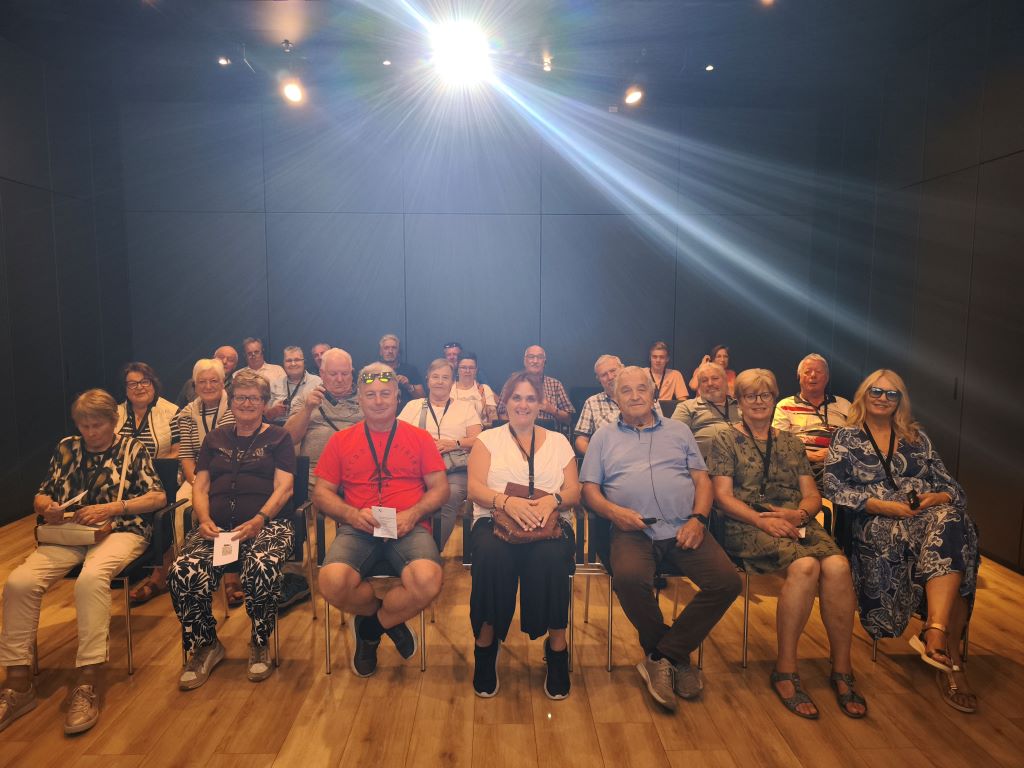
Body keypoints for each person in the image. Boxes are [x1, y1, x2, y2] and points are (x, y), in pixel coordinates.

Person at [0, 389, 166, 735]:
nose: (90, 432)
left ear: (113, 421)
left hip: (121, 528)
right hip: (70, 532)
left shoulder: (132, 449)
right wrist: (46, 506)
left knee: (91, 579)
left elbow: (157, 497)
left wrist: (113, 508)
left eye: (97, 425)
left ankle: (89, 677)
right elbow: (43, 491)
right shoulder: (67, 448)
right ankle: (17, 680)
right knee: (19, 582)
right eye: (84, 425)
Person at [707, 368, 866, 720]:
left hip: (795, 521)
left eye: (765, 395)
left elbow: (812, 495)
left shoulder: (791, 442)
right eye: (750, 395)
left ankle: (842, 668)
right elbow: (722, 498)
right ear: (739, 402)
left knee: (838, 566)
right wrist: (762, 520)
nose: (758, 401)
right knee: (806, 566)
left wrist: (799, 514)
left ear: (774, 398)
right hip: (746, 523)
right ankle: (785, 669)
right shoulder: (725, 438)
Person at [581, 367, 740, 710]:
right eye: (626, 391)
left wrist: (698, 520)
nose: (635, 395)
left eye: (642, 388)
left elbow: (702, 481)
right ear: (615, 398)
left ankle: (662, 655)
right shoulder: (603, 437)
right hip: (632, 529)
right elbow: (589, 491)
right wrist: (614, 513)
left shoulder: (679, 431)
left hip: (684, 525)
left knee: (727, 582)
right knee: (628, 578)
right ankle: (674, 658)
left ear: (654, 393)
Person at [824, 369, 979, 714]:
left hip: (926, 515)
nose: (883, 398)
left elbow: (953, 489)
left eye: (891, 394)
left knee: (954, 522)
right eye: (876, 391)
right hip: (876, 520)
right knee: (956, 539)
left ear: (900, 401)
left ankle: (936, 633)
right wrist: (879, 505)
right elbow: (833, 487)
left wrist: (935, 498)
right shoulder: (846, 437)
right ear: (864, 394)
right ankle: (947, 651)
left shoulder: (917, 438)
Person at [313, 363, 448, 678]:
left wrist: (413, 513)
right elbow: (321, 493)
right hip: (358, 527)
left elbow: (441, 488)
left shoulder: (420, 438)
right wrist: (350, 514)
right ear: (359, 399)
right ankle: (388, 620)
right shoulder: (340, 441)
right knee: (331, 583)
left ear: (397, 397)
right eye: (370, 394)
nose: (378, 401)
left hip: (408, 526)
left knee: (428, 581)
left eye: (385, 394)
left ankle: (370, 629)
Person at [168, 370, 296, 690]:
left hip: (268, 525)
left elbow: (285, 488)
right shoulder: (215, 439)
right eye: (240, 397)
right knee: (183, 570)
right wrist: (203, 519)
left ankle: (259, 641)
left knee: (262, 566)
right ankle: (207, 644)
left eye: (254, 398)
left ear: (264, 403)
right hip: (217, 528)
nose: (246, 403)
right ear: (232, 402)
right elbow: (200, 486)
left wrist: (260, 519)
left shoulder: (279, 438)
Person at [467, 371, 581, 700]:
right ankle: (485, 646)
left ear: (541, 403)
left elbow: (574, 491)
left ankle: (557, 647)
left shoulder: (559, 442)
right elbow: (474, 488)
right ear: (505, 402)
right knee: (491, 557)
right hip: (495, 520)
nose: (523, 404)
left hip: (550, 523)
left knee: (551, 559)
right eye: (516, 397)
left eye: (531, 398)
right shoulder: (487, 440)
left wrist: (552, 500)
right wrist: (506, 502)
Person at [130, 358, 238, 606]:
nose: (208, 386)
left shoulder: (235, 410)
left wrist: (214, 484)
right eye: (202, 382)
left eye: (214, 381)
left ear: (223, 383)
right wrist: (197, 483)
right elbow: (187, 456)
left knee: (226, 506)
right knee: (178, 505)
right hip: (197, 475)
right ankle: (176, 570)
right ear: (194, 385)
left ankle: (230, 574)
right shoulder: (187, 414)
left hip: (230, 473)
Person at [398, 359, 482, 549]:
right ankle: (405, 547)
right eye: (435, 377)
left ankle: (429, 551)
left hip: (455, 468)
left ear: (452, 382)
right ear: (427, 380)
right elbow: (396, 436)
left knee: (449, 496)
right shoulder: (413, 406)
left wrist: (454, 443)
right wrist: (421, 442)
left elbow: (478, 440)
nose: (440, 382)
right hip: (417, 468)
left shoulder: (465, 408)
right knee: (402, 494)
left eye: (445, 377)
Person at [773, 354, 850, 487]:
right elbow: (778, 445)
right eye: (807, 372)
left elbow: (857, 442)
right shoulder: (784, 405)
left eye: (819, 372)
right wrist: (813, 456)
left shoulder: (845, 405)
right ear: (799, 376)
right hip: (799, 465)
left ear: (827, 377)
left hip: (838, 466)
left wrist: (834, 455)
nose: (813, 375)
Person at [672, 362, 740, 459]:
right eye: (704, 380)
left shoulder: (740, 406)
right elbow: (672, 439)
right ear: (699, 386)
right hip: (705, 462)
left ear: (725, 381)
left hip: (744, 460)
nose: (710, 383)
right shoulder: (687, 407)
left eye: (715, 378)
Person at [497, 345, 574, 429]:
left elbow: (569, 419)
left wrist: (551, 409)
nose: (535, 361)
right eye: (531, 357)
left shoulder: (555, 385)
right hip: (517, 431)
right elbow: (501, 412)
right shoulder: (512, 382)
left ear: (544, 362)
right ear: (525, 361)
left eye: (540, 357)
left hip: (548, 433)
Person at [116, 362, 180, 461]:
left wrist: (149, 468)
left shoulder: (172, 412)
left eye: (145, 382)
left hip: (159, 470)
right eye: (132, 384)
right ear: (125, 389)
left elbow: (177, 452)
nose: (139, 387)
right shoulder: (114, 413)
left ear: (153, 385)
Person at [573, 354, 623, 454]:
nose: (610, 377)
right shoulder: (592, 402)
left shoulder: (640, 398)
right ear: (599, 379)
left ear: (623, 369)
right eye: (604, 375)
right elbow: (580, 441)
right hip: (607, 459)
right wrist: (596, 457)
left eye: (613, 371)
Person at [174, 345, 240, 408]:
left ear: (235, 365)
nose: (224, 361)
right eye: (221, 357)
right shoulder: (191, 383)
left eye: (230, 359)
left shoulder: (237, 386)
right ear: (213, 359)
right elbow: (177, 409)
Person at [272, 346, 321, 425]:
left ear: (304, 362)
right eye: (289, 360)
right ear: (283, 363)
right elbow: (267, 416)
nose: (293, 364)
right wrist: (273, 411)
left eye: (297, 360)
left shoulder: (317, 382)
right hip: (278, 427)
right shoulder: (275, 383)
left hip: (308, 426)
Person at [238, 337, 287, 417]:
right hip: (246, 416)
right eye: (249, 353)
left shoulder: (277, 370)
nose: (253, 355)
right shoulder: (238, 375)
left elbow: (282, 396)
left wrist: (270, 412)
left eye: (256, 352)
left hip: (274, 418)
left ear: (262, 352)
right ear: (245, 355)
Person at [451, 352, 497, 427]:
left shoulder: (484, 389)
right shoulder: (449, 390)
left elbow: (493, 417)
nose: (467, 371)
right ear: (458, 369)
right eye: (463, 367)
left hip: (482, 431)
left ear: (476, 370)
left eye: (471, 368)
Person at [377, 334, 424, 401]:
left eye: (394, 348)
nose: (390, 351)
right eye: (386, 348)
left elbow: (422, 397)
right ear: (381, 352)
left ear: (398, 351)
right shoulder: (373, 371)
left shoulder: (410, 370)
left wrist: (408, 386)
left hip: (405, 407)